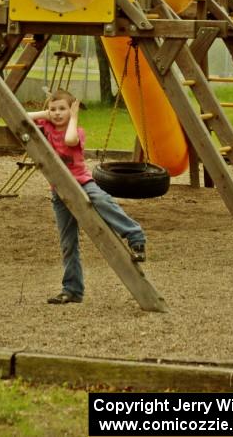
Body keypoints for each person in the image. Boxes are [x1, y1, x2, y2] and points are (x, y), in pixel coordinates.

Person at [28, 88, 146, 305]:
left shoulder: (78, 131)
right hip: (59, 191)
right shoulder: (45, 126)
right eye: (53, 109)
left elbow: (70, 140)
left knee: (102, 201)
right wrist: (45, 114)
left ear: (71, 110)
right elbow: (22, 118)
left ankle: (135, 235)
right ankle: (72, 289)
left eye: (62, 109)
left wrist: (73, 117)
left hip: (82, 184)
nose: (56, 113)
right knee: (67, 242)